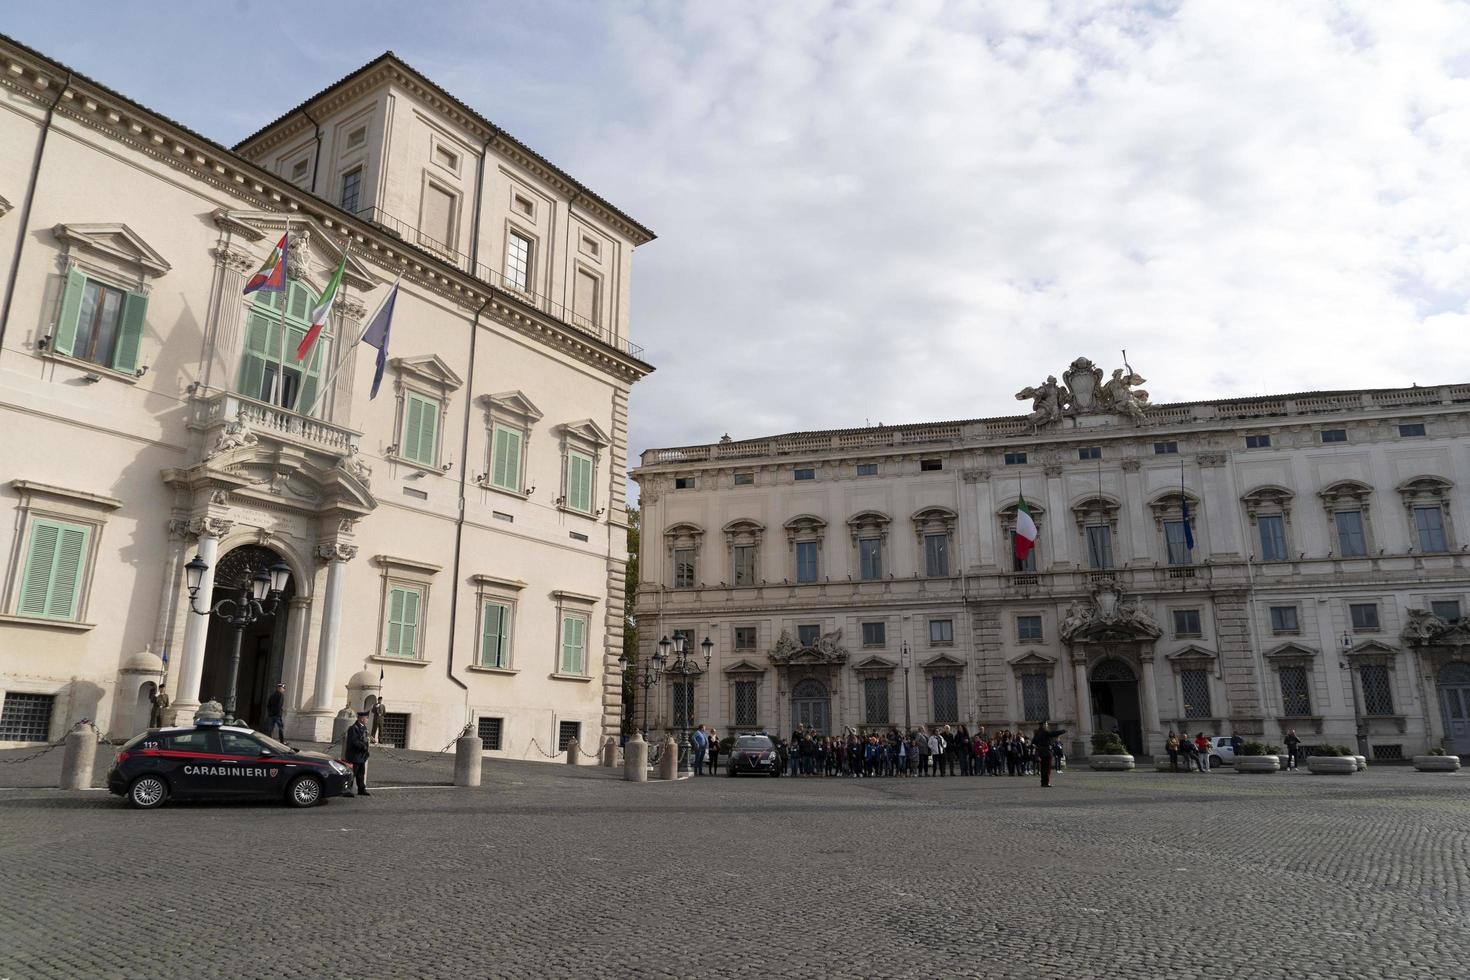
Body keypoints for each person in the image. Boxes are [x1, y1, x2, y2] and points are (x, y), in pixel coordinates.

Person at [1032, 720, 1068, 787]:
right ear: (1043, 725)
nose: (1047, 725)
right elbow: (1053, 733)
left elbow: (1033, 742)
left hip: (1041, 752)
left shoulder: (1037, 733)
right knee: (1047, 768)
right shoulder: (1045, 732)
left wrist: (1039, 747)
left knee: (1043, 768)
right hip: (1047, 752)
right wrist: (1063, 731)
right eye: (1046, 724)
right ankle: (1046, 783)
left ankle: (1043, 782)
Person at [345, 709, 372, 796]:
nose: (367, 720)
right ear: (362, 718)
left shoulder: (363, 728)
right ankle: (346, 790)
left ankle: (361, 789)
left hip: (361, 756)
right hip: (354, 755)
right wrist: (363, 746)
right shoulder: (353, 728)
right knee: (352, 774)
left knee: (361, 774)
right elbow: (354, 741)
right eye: (367, 718)